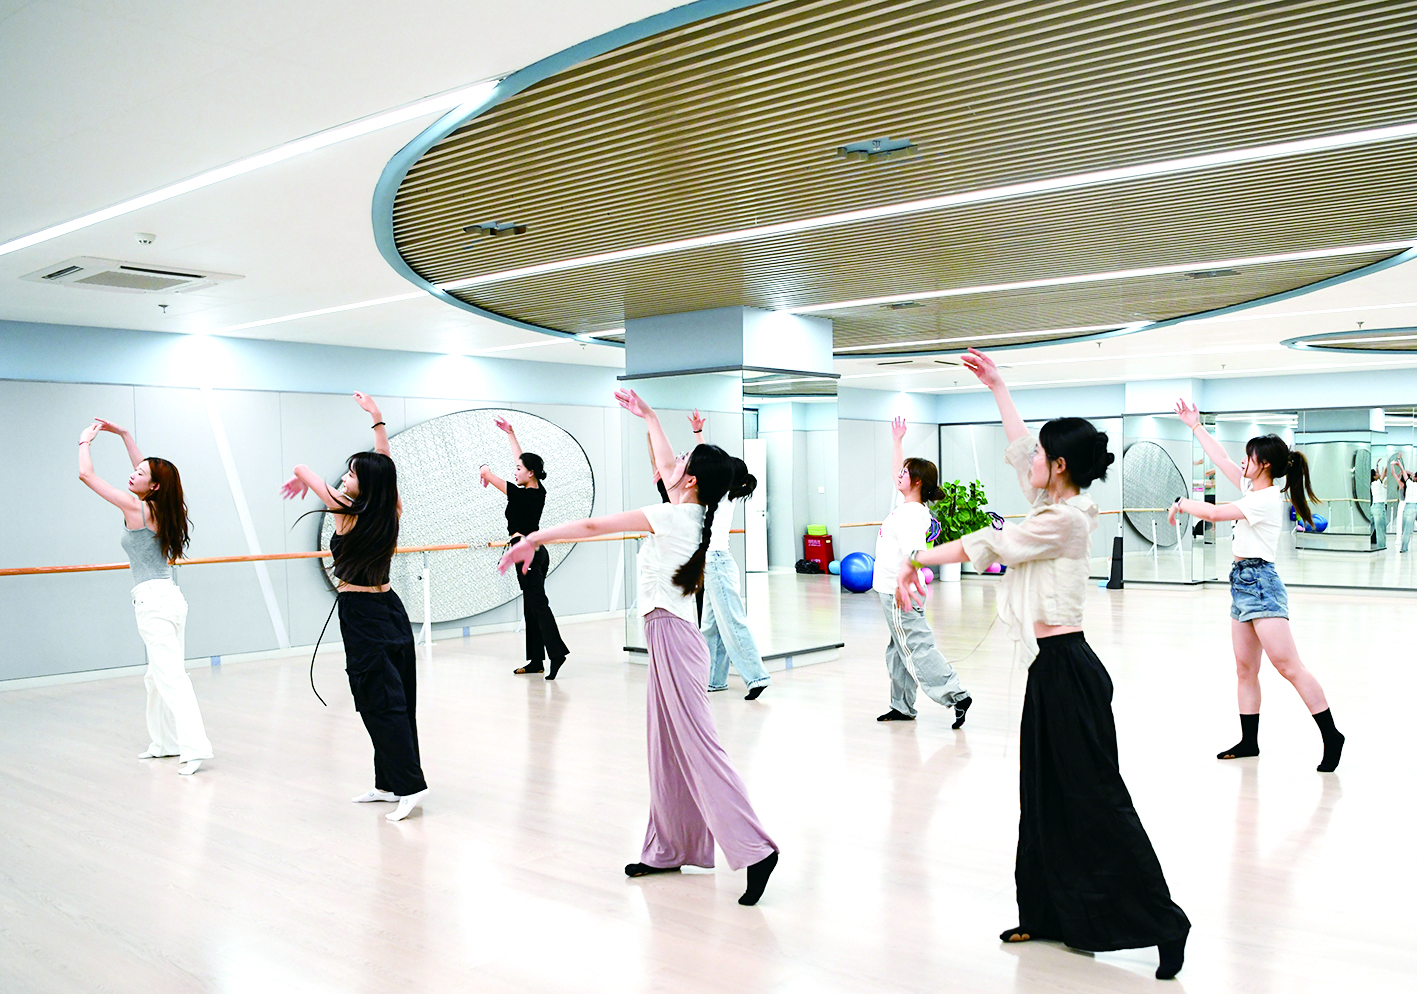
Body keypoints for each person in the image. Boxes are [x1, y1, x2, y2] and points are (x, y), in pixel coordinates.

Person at [900, 350, 1189, 980]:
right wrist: (998, 386)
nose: (1029, 458)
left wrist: (915, 559)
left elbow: (991, 542)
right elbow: (1019, 448)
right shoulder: (1052, 505)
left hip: (1070, 671)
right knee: (1041, 796)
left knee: (1094, 798)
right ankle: (1047, 913)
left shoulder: (1065, 520)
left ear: (1058, 467)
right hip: (1050, 668)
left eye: (1041, 455)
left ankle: (1164, 921)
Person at [499, 389, 779, 906]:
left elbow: (592, 525)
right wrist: (649, 416)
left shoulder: (673, 517)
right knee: (665, 748)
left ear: (691, 481)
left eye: (684, 463)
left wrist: (534, 538)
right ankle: (669, 848)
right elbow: (666, 462)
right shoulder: (690, 511)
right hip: (668, 637)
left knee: (699, 748)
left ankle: (756, 849)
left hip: (674, 639)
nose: (674, 464)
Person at [1171, 402, 1344, 774]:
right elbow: (1220, 459)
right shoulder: (1252, 488)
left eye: (1249, 458)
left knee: (1289, 667)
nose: (1243, 462)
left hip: (1261, 584)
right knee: (1245, 669)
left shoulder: (1265, 499)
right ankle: (1249, 741)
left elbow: (1215, 514)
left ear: (1263, 464)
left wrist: (1183, 503)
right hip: (1241, 583)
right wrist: (1196, 426)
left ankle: (1332, 736)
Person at [280, 393, 427, 822]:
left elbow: (301, 468)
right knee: (396, 698)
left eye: (350, 474)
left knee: (379, 700)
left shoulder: (347, 511)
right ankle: (389, 783)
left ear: (366, 485)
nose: (343, 479)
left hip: (363, 614)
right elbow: (386, 469)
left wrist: (304, 479)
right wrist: (377, 419)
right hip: (390, 610)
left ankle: (411, 785)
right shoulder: (390, 508)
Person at [79, 419, 213, 776]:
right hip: (169, 597)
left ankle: (194, 748)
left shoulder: (136, 509)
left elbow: (86, 475)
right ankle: (164, 743)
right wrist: (125, 435)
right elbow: (148, 471)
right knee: (156, 678)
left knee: (170, 677)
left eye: (139, 474)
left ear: (153, 486)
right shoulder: (165, 507)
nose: (132, 474)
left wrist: (84, 442)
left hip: (154, 601)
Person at [873, 416, 971, 726]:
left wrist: (905, 588)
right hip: (893, 591)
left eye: (905, 473)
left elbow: (916, 555)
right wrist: (898, 441)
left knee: (916, 648)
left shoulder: (912, 515)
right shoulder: (907, 506)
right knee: (898, 650)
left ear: (917, 482)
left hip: (899, 593)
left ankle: (956, 694)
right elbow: (896, 472)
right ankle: (902, 706)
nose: (899, 475)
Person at [686, 411, 771, 700]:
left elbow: (706, 462)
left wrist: (699, 435)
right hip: (715, 565)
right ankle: (714, 679)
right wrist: (698, 433)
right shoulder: (725, 495)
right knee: (711, 626)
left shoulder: (721, 494)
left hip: (717, 564)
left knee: (733, 623)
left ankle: (757, 676)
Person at [480, 417, 569, 679]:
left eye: (518, 469)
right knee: (531, 604)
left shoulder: (521, 494)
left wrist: (484, 470)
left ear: (530, 473)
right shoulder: (538, 490)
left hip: (525, 550)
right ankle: (536, 660)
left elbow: (490, 476)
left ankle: (557, 653)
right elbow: (523, 461)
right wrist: (511, 433)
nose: (515, 471)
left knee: (538, 604)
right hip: (537, 551)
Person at [1371, 467, 1388, 551]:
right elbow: (1383, 473)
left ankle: (1382, 547)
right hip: (1378, 507)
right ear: (1374, 477)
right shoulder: (1376, 483)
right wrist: (1389, 465)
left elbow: (1383, 474)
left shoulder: (1375, 483)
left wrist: (1377, 466)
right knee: (1380, 531)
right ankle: (1381, 548)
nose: (1378, 474)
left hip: (1377, 507)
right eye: (1377, 473)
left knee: (1380, 529)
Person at [1402, 466, 1417, 554]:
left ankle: (1404, 548)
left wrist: (1400, 463)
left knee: (1406, 529)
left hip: (1410, 506)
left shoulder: (1410, 483)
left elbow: (1404, 472)